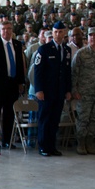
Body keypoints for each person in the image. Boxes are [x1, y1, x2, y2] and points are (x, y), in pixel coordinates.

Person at [0, 20, 26, 149]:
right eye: (3, 29)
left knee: (9, 114)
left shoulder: (18, 45)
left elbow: (19, 65)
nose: (6, 31)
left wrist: (21, 82)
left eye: (8, 29)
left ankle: (7, 140)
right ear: (0, 31)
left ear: (12, 30)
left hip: (12, 84)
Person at [33, 21, 72, 156]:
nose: (58, 34)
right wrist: (39, 90)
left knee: (55, 120)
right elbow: (38, 71)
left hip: (59, 91)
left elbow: (67, 72)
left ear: (64, 32)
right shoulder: (44, 49)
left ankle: (52, 146)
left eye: (60, 32)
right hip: (46, 91)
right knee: (45, 119)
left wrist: (68, 90)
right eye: (55, 32)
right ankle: (43, 146)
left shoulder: (66, 50)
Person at [71, 26, 95, 155]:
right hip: (84, 92)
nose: (92, 37)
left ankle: (90, 142)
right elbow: (74, 73)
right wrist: (74, 90)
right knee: (83, 119)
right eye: (90, 35)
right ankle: (81, 143)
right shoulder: (81, 53)